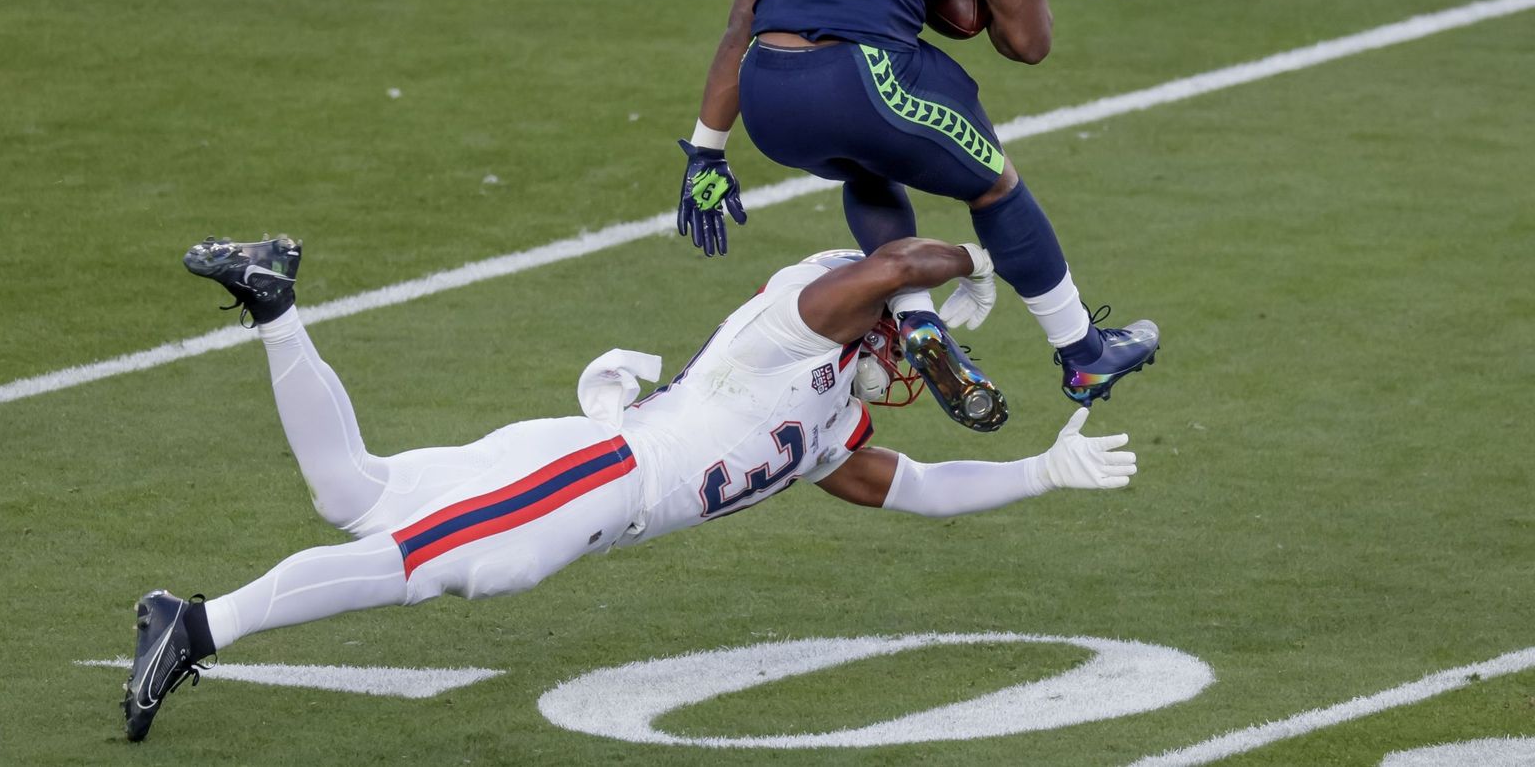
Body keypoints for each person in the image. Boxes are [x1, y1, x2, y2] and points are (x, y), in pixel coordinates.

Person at [124, 234, 1139, 742]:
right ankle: (194, 624)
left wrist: (1038, 473)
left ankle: (272, 301)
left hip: (597, 469)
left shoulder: (837, 420)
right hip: (606, 471)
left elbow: (916, 487)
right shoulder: (790, 326)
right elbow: (895, 257)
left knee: (357, 494)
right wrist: (977, 266)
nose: (922, 368)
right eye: (915, 344)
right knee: (452, 563)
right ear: (876, 320)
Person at [674, 0, 1158, 413]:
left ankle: (915, 317)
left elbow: (740, 23)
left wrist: (706, 151)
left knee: (866, 166)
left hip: (769, 93)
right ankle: (1085, 354)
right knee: (993, 185)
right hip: (866, 77)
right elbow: (1028, 42)